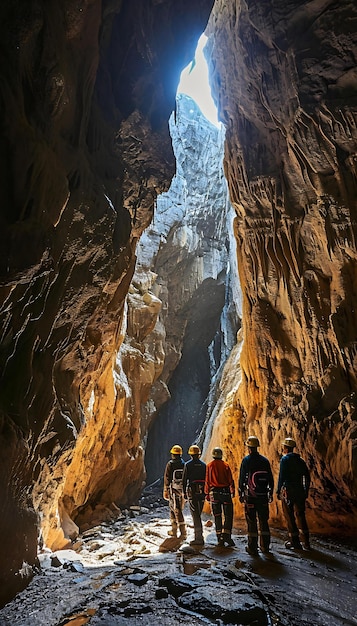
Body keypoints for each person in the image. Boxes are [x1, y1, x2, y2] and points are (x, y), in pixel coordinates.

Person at [238, 435, 274, 556]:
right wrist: (271, 492)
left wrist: (241, 493)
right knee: (264, 521)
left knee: (251, 522)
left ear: (249, 448)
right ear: (257, 447)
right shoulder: (264, 461)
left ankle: (252, 548)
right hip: (263, 496)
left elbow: (242, 478)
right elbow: (270, 478)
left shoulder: (246, 460)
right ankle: (265, 547)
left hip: (251, 496)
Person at [277, 437, 311, 550]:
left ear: (285, 448)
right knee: (301, 515)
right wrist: (306, 489)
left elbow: (282, 477)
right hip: (300, 490)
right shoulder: (300, 461)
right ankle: (306, 541)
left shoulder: (284, 459)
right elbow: (307, 476)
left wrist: (278, 490)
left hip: (288, 491)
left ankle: (294, 542)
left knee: (289, 516)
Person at [205, 447, 235, 547]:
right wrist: (233, 490)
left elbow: (207, 481)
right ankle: (227, 535)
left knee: (217, 515)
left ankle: (219, 538)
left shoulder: (209, 466)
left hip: (214, 493)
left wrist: (206, 493)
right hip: (225, 492)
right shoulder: (226, 465)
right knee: (228, 515)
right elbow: (230, 479)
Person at [183, 444, 206, 546]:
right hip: (202, 492)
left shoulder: (187, 465)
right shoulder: (204, 465)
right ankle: (199, 535)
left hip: (192, 491)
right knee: (198, 513)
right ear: (199, 454)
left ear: (191, 454)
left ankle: (199, 538)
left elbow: (184, 480)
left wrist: (184, 493)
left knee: (195, 515)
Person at [163, 444, 187, 540]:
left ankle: (181, 531)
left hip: (173, 489)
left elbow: (167, 478)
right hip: (182, 490)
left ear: (173, 454)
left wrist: (166, 490)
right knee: (177, 508)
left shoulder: (170, 464)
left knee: (175, 509)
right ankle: (175, 530)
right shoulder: (184, 464)